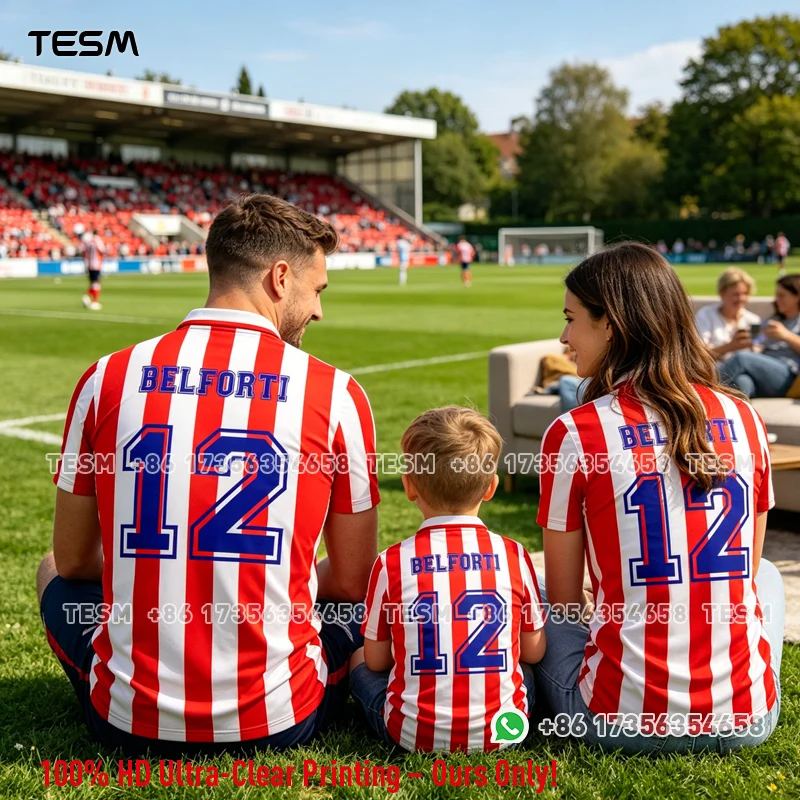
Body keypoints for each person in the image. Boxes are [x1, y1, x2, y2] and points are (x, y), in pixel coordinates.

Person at [37, 194, 380, 757]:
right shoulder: (336, 394)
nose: (319, 311)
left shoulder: (105, 378)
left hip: (126, 721)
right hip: (278, 720)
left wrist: (161, 567)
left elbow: (74, 561)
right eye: (317, 290)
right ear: (280, 278)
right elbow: (352, 580)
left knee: (51, 567)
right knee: (370, 597)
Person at [535, 241, 783, 754]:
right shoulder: (746, 419)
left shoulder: (575, 432)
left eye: (571, 319)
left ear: (611, 325)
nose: (563, 337)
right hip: (746, 719)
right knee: (768, 579)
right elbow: (750, 567)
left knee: (534, 598)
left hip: (617, 722)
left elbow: (564, 603)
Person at [350, 406, 545, 752]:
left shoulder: (391, 562)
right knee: (525, 670)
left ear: (409, 486)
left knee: (357, 660)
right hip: (504, 732)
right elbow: (534, 649)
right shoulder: (514, 555)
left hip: (413, 736)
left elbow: (377, 660)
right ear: (491, 487)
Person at [719, 274, 800, 398]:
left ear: (797, 296)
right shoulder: (774, 319)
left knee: (741, 358)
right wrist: (747, 339)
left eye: (782, 295)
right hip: (763, 372)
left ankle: (701, 391)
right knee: (742, 381)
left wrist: (786, 336)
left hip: (786, 376)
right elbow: (756, 342)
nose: (777, 299)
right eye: (776, 295)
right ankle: (738, 407)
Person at [694, 267, 760, 361]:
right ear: (722, 293)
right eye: (735, 294)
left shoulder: (753, 320)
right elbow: (699, 355)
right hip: (716, 367)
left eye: (745, 294)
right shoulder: (706, 315)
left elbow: (757, 352)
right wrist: (730, 346)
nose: (741, 299)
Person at [81, 232, 105, 311]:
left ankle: (87, 296)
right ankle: (94, 301)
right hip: (96, 264)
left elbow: (83, 252)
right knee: (96, 283)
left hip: (89, 264)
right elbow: (102, 250)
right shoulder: (98, 240)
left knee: (93, 283)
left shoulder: (88, 242)